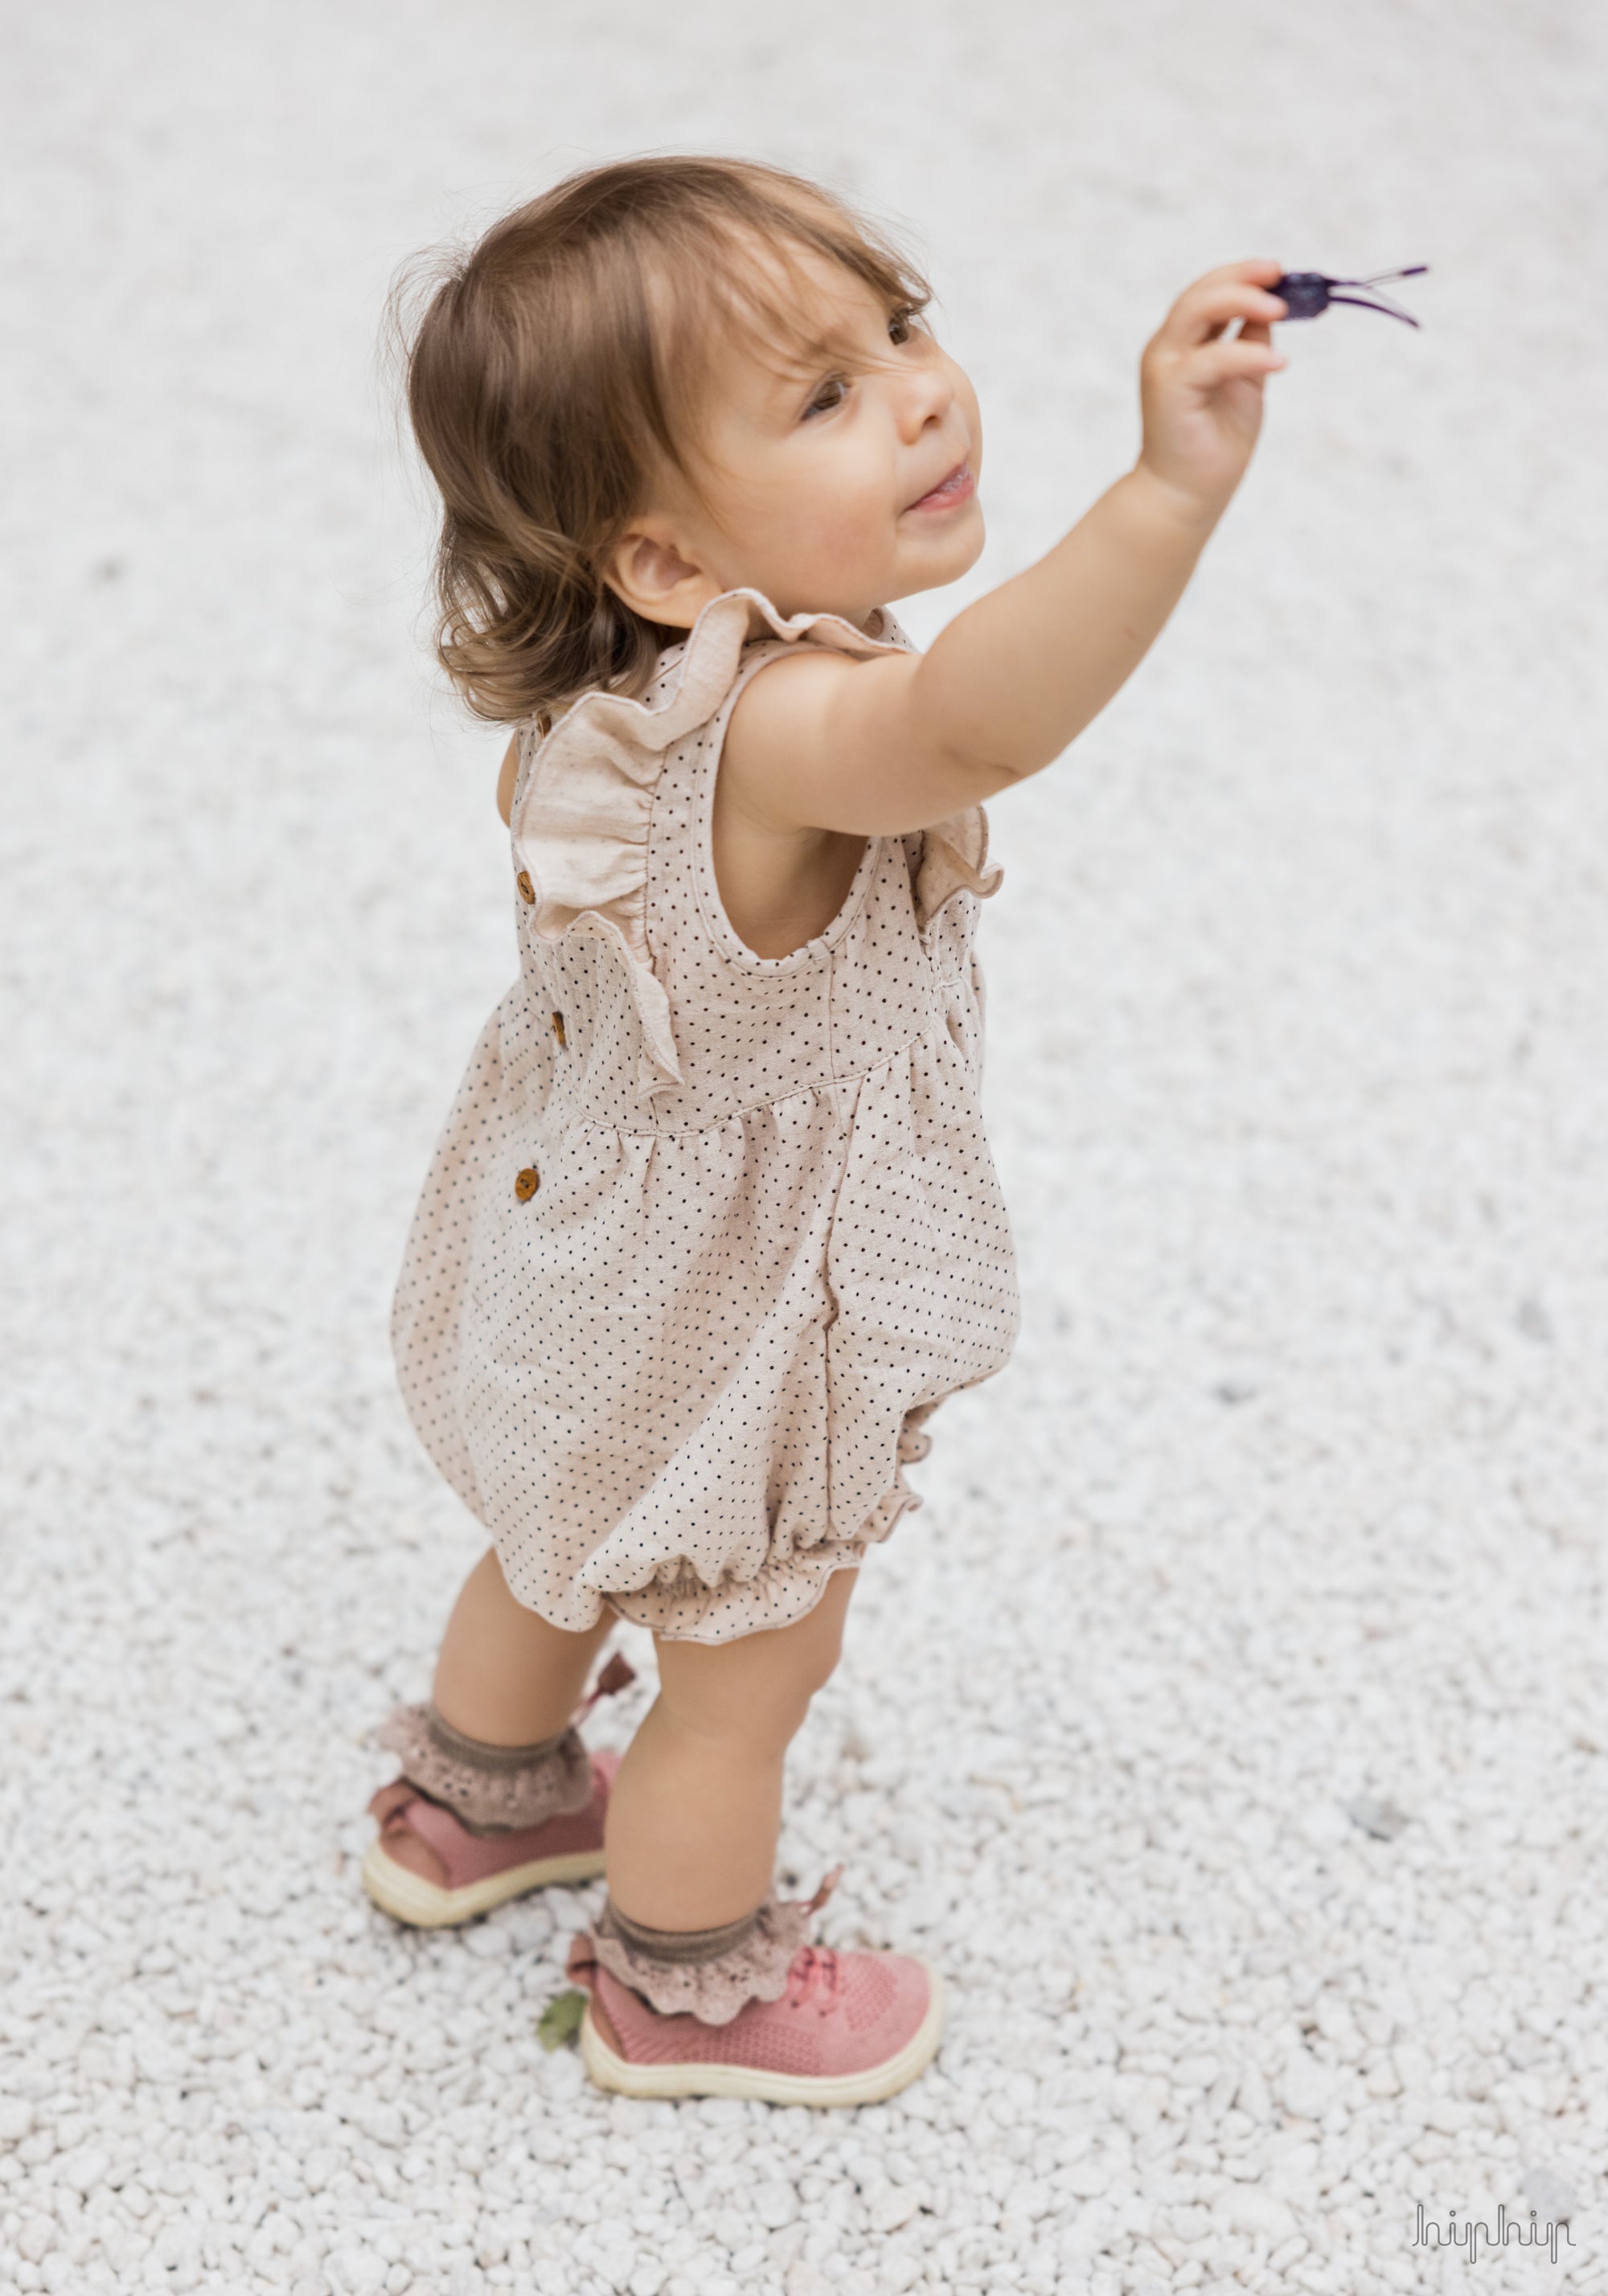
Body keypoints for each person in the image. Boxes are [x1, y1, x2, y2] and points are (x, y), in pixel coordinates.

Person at [363, 155, 1288, 2107]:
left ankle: (475, 1803)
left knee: (556, 1542)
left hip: (582, 1255)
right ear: (673, 564)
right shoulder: (783, 730)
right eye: (823, 397)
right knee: (744, 1669)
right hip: (725, 1326)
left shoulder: (613, 708)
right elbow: (972, 721)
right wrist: (1166, 494)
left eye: (899, 325)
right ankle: (680, 1983)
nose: (924, 391)